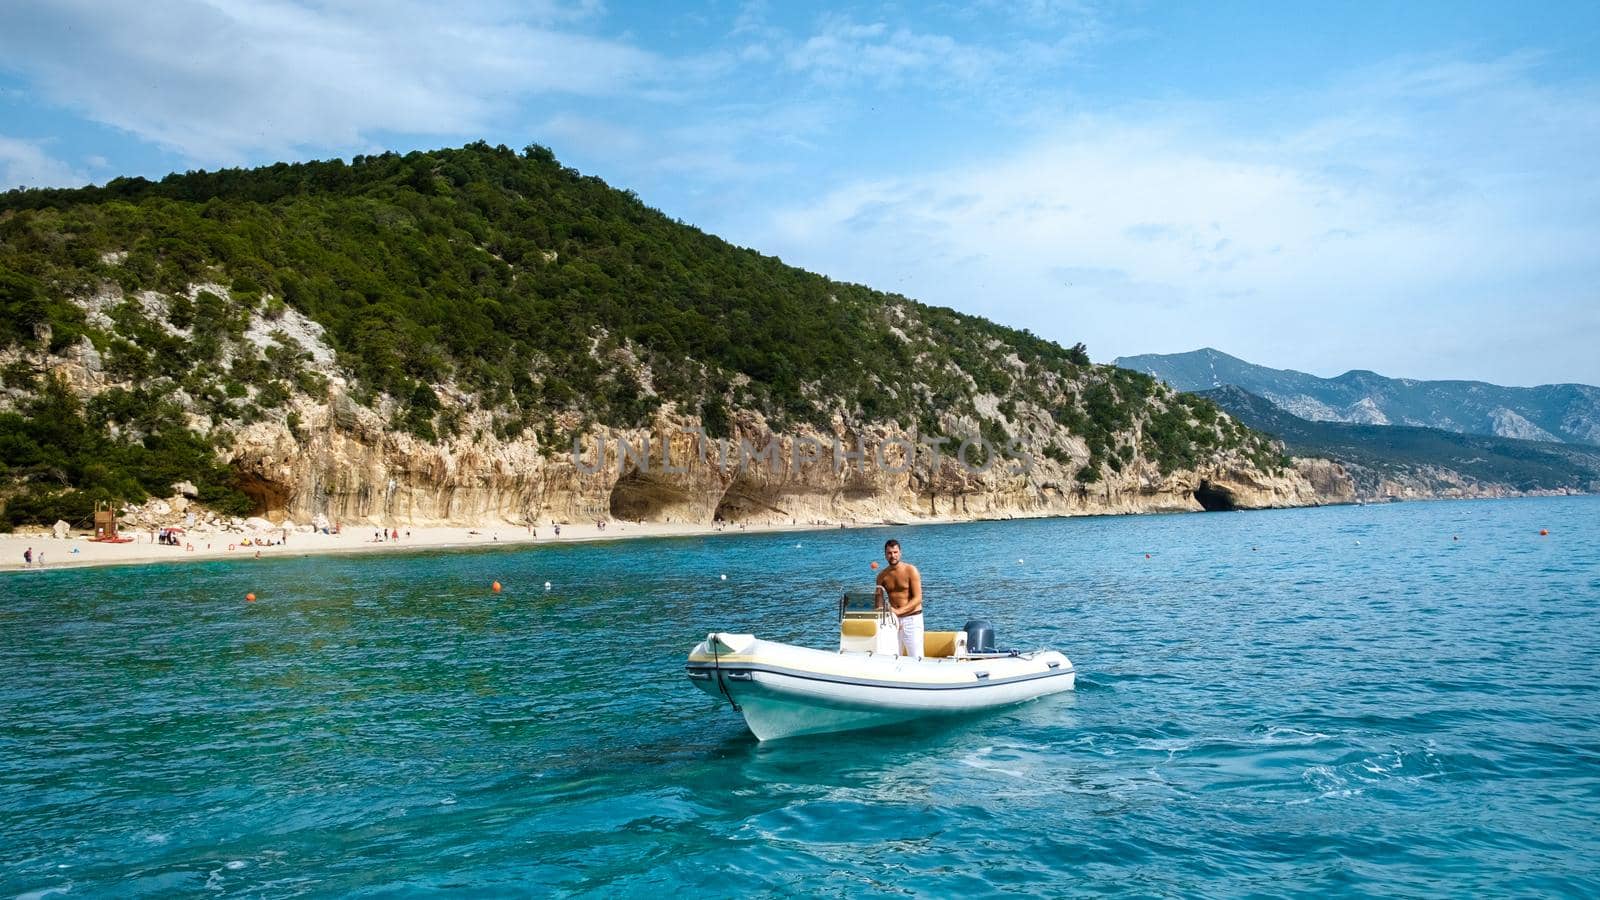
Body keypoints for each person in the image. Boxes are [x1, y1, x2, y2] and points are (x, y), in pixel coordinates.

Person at [874, 538, 924, 658]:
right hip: (892, 621)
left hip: (912, 619)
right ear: (885, 555)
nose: (893, 556)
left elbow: (918, 598)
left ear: (900, 553)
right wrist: (884, 615)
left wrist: (898, 612)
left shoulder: (911, 570)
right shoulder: (882, 576)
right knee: (893, 656)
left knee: (916, 657)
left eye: (895, 552)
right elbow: (878, 603)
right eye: (889, 553)